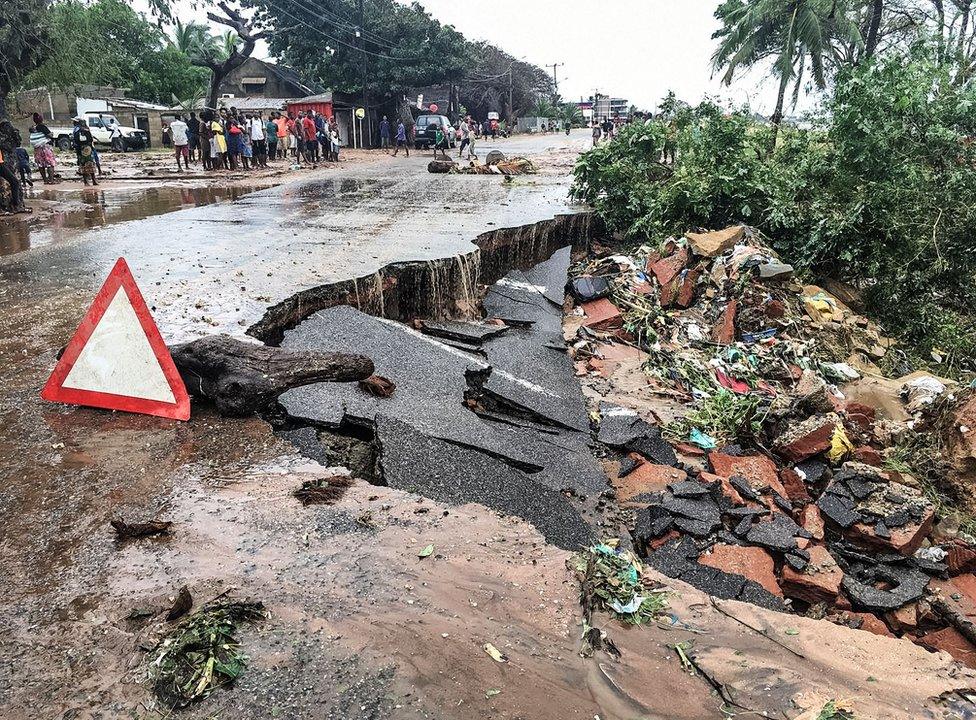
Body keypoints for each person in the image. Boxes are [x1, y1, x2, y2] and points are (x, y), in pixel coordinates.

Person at [29, 113, 57, 184]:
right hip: (45, 147)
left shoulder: (33, 128)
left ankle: (45, 180)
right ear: (41, 119)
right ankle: (51, 180)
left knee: (41, 165)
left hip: (37, 148)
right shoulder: (42, 126)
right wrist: (52, 134)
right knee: (50, 163)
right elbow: (49, 135)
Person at [74, 119, 98, 186]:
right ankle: (93, 180)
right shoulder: (86, 132)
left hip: (82, 150)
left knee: (84, 165)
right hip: (88, 150)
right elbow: (90, 140)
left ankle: (86, 181)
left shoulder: (77, 132)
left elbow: (76, 141)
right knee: (90, 165)